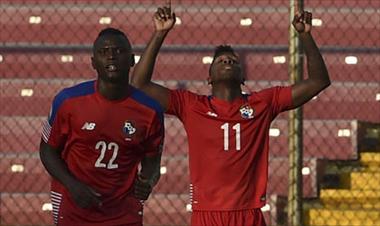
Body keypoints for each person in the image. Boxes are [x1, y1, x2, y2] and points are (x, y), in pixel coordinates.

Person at [131, 3, 330, 226]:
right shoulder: (190, 105)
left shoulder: (264, 103)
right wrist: (160, 33)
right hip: (207, 214)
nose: (227, 61)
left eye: (233, 60)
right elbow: (138, 84)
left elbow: (319, 81)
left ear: (243, 77)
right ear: (209, 78)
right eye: (221, 60)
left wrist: (305, 36)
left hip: (248, 214)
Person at [39, 27, 164, 226]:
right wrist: (72, 185)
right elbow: (47, 150)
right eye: (103, 52)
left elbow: (152, 162)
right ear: (93, 62)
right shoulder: (68, 101)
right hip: (74, 206)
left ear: (132, 60)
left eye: (118, 51)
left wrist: (147, 181)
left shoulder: (150, 110)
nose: (111, 57)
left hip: (124, 210)